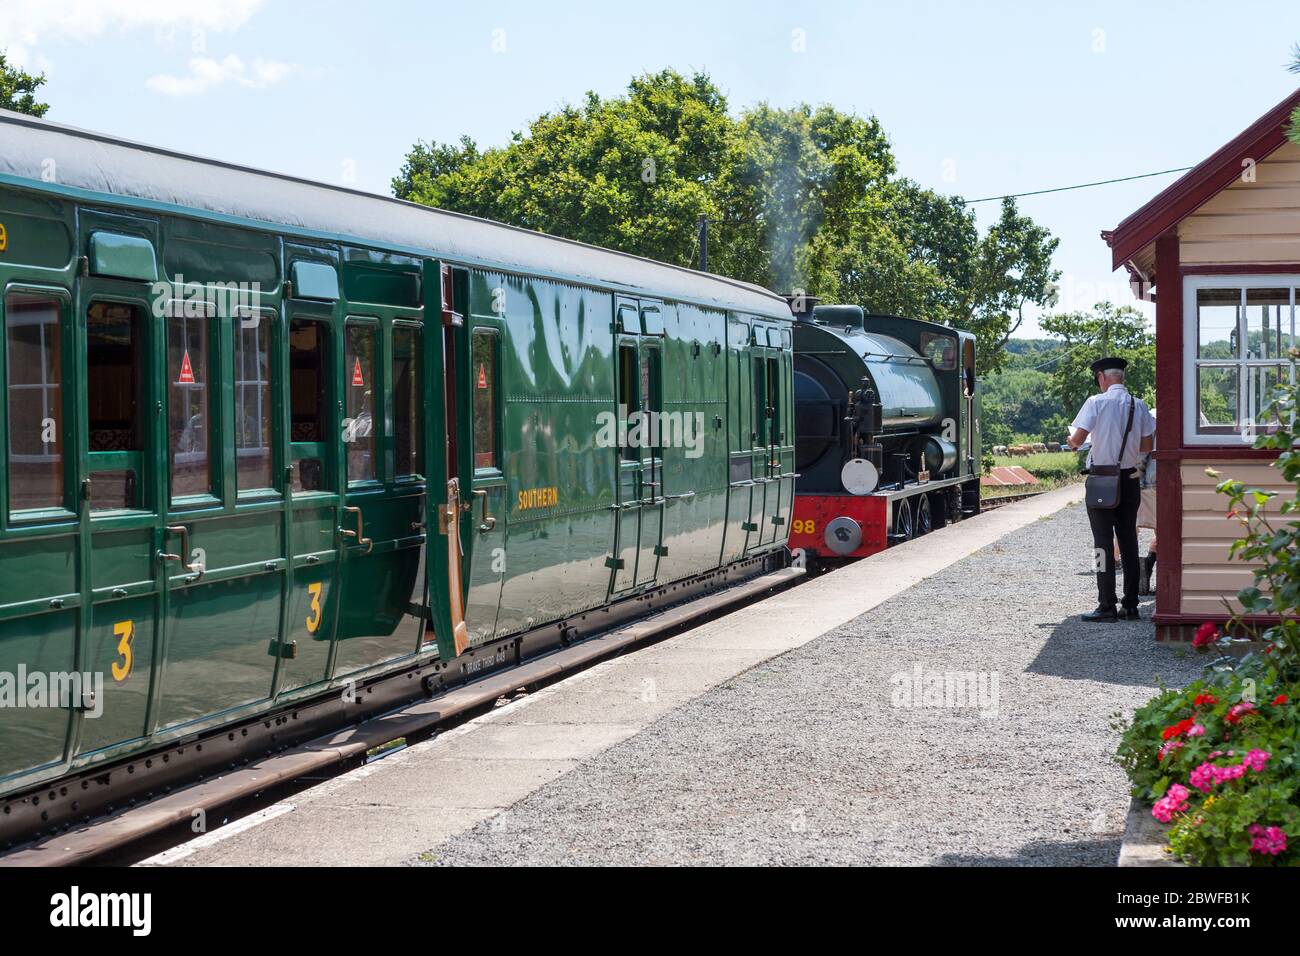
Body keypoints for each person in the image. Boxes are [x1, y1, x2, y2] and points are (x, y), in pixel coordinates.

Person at [1066, 357, 1155, 622]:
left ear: (1102, 377)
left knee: (1102, 544)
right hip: (1129, 479)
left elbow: (1078, 440)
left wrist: (1071, 440)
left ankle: (1106, 604)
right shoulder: (1138, 405)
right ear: (1122, 377)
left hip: (1101, 480)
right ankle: (1130, 604)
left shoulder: (1095, 402)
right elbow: (1147, 446)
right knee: (1128, 540)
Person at [1136, 408, 1157, 595]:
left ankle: (1146, 565)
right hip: (1181, 479)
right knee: (1171, 533)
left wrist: (1138, 479)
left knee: (1162, 531)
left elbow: (1142, 452)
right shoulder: (1196, 415)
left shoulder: (1151, 416)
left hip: (1151, 481)